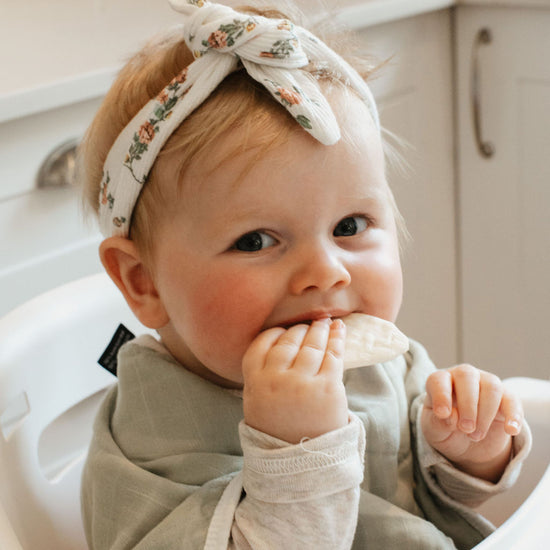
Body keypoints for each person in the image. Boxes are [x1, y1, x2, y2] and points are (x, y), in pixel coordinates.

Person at [78, 1, 531, 548]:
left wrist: (468, 450)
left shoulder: (383, 362)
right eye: (255, 241)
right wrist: (297, 453)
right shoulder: (151, 440)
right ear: (143, 282)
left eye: (349, 225)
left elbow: (429, 496)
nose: (325, 272)